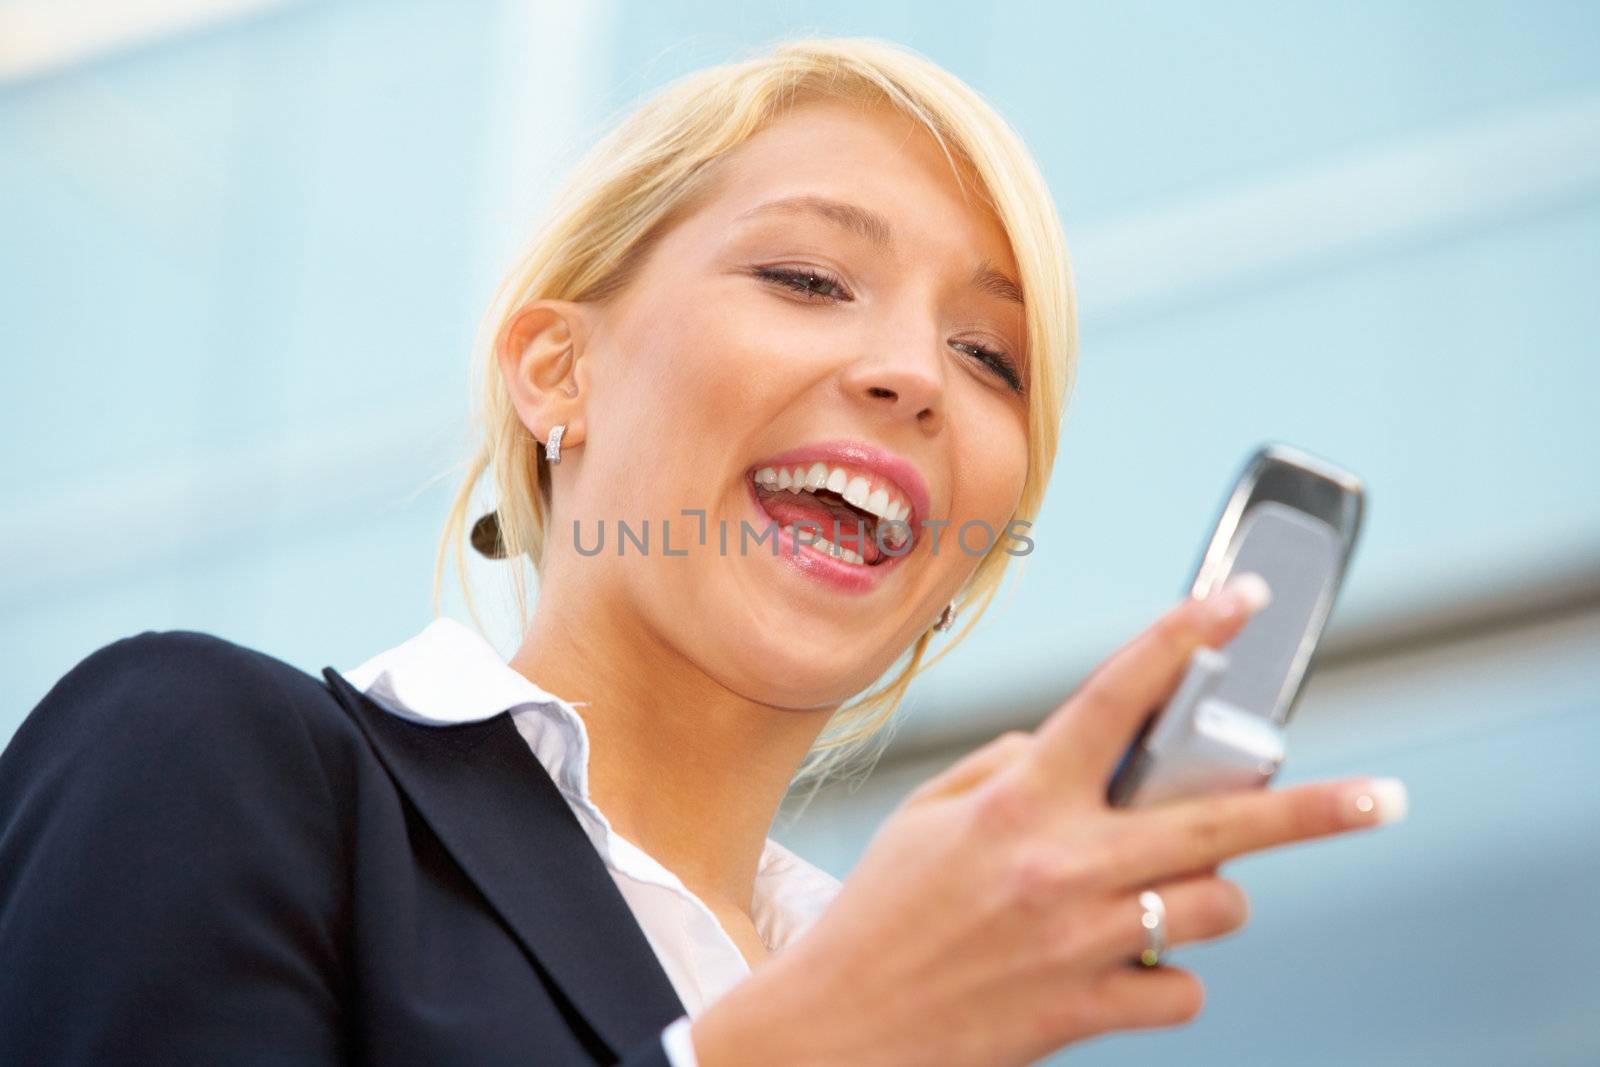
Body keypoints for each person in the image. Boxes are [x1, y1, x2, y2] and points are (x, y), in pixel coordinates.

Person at [0, 36, 1405, 1066]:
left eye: (990, 358)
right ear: (559, 373)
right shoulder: (210, 753)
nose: (914, 373)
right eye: (805, 277)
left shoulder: (924, 1006)